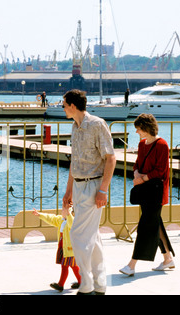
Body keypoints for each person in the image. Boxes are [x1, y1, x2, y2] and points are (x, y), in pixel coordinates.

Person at [62, 89, 116, 295]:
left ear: (73, 106)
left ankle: (86, 283)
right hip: (78, 186)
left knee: (78, 235)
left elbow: (110, 158)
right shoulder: (75, 127)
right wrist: (68, 192)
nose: (63, 108)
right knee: (92, 237)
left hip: (94, 186)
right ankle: (100, 283)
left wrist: (103, 189)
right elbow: (74, 161)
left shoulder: (97, 124)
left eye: (64, 104)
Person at [119, 114, 175, 276]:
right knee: (155, 223)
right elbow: (137, 163)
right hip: (145, 190)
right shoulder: (142, 143)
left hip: (156, 191)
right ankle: (167, 259)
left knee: (145, 226)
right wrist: (136, 173)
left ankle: (132, 264)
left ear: (146, 127)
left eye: (138, 129)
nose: (136, 132)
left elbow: (160, 170)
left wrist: (141, 179)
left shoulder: (162, 145)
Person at [32, 206, 82, 292]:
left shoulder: (73, 222)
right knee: (73, 266)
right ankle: (81, 282)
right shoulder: (61, 220)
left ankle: (60, 285)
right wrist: (40, 215)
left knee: (65, 266)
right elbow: (51, 218)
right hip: (62, 247)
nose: (61, 212)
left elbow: (70, 223)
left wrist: (68, 214)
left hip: (69, 249)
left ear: (68, 213)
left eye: (63, 210)